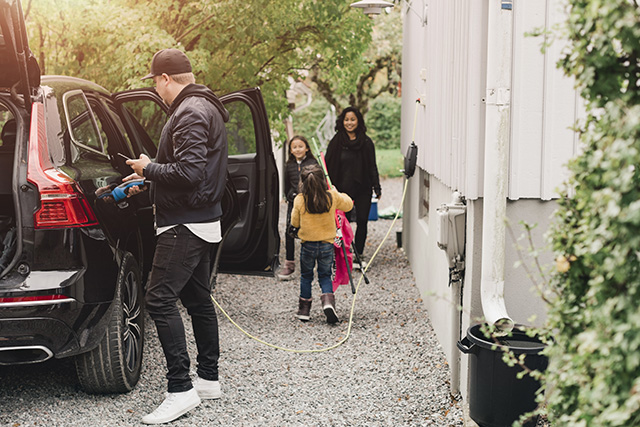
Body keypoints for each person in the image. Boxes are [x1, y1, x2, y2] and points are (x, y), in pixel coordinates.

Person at [124, 48, 229, 425]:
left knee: (158, 298)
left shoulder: (190, 113)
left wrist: (148, 167)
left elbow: (189, 174)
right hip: (200, 218)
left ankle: (180, 389)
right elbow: (189, 173)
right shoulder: (203, 107)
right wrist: (146, 180)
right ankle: (209, 380)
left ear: (166, 78)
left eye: (155, 81)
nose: (155, 88)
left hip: (184, 223)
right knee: (197, 298)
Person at [290, 164, 353, 323]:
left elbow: (294, 222)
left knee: (306, 276)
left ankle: (304, 310)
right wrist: (337, 192)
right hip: (327, 245)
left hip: (308, 245)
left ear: (302, 182)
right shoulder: (332, 196)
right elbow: (349, 204)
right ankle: (328, 303)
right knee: (325, 275)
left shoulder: (299, 200)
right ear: (323, 181)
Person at [325, 106, 381, 266]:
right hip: (342, 190)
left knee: (363, 220)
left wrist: (377, 187)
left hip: (363, 187)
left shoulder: (366, 142)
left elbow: (372, 166)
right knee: (344, 222)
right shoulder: (336, 142)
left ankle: (359, 254)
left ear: (358, 121)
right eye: (347, 119)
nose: (349, 123)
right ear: (342, 122)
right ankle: (345, 253)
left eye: (352, 119)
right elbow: (327, 166)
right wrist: (328, 187)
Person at [277, 135, 318, 280]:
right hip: (294, 203)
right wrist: (288, 195)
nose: (298, 149)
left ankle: (309, 264)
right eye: (294, 147)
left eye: (300, 146)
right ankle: (289, 264)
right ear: (290, 150)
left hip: (309, 203)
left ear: (307, 148)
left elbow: (319, 183)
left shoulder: (313, 163)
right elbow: (287, 184)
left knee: (309, 233)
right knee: (290, 231)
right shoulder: (289, 165)